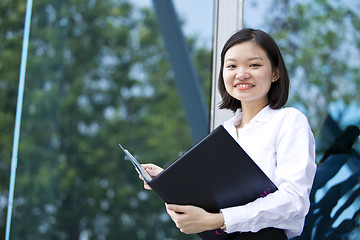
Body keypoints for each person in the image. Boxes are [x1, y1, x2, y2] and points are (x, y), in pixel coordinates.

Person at [140, 28, 317, 239]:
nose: (241, 73)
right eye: (232, 66)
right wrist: (167, 182)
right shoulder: (225, 132)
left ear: (275, 72)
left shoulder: (289, 121)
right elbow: (214, 195)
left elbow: (294, 200)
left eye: (254, 65)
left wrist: (219, 219)